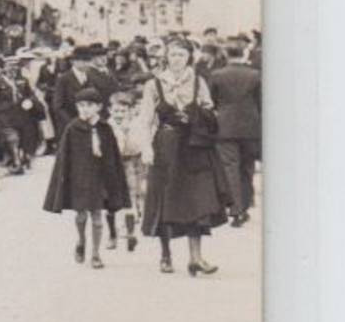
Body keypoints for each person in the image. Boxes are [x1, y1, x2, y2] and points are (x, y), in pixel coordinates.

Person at [140, 38, 231, 276]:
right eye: (172, 55)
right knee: (165, 198)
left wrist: (201, 113)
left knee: (197, 200)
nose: (176, 59)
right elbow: (146, 119)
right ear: (166, 57)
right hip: (167, 145)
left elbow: (210, 109)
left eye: (181, 55)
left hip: (193, 146)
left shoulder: (198, 81)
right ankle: (165, 255)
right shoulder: (154, 84)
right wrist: (146, 147)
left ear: (189, 57)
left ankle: (196, 258)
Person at [42, 87, 131, 269]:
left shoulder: (105, 129)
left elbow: (113, 157)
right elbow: (64, 158)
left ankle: (96, 254)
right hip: (80, 179)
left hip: (100, 179)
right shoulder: (72, 129)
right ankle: (81, 241)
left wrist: (114, 183)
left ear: (98, 107)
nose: (84, 109)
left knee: (97, 216)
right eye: (81, 105)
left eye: (89, 105)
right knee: (81, 215)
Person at [209, 41, 261, 227]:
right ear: (244, 53)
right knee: (247, 168)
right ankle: (246, 206)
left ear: (226, 54)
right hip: (251, 127)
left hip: (225, 127)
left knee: (230, 168)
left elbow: (212, 101)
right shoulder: (255, 75)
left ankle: (236, 210)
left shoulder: (216, 75)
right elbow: (261, 102)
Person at [108, 89, 150, 252]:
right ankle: (112, 234)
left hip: (129, 162)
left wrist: (126, 133)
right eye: (116, 111)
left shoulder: (135, 125)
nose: (120, 114)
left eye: (123, 111)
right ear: (110, 110)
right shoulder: (108, 125)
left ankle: (131, 233)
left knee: (131, 195)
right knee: (110, 199)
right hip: (111, 165)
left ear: (130, 111)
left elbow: (138, 146)